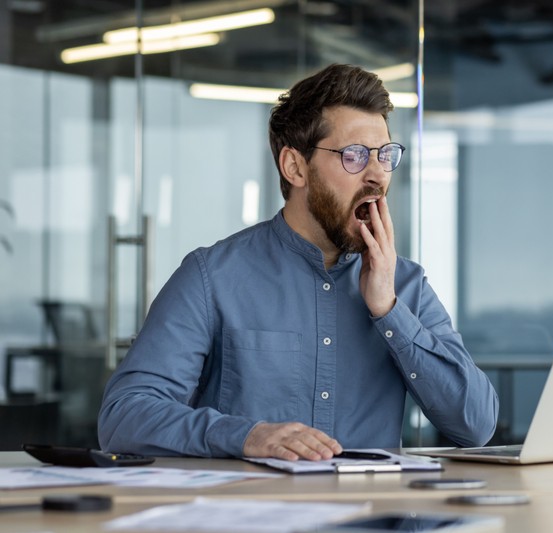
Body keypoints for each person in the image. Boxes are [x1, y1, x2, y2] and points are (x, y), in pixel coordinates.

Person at [98, 64, 498, 460]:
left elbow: (475, 425)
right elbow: (123, 417)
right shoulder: (212, 277)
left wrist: (389, 311)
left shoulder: (405, 284)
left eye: (384, 154)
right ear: (295, 167)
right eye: (355, 155)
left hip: (372, 519)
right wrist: (245, 436)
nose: (377, 174)